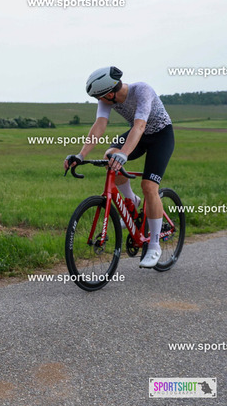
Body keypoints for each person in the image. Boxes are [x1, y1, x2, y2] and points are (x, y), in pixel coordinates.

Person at [64, 66, 175, 268]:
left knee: (149, 186)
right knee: (110, 157)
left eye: (99, 97)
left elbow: (140, 126)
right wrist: (81, 155)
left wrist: (124, 153)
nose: (98, 101)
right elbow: (99, 125)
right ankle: (131, 200)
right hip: (138, 134)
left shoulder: (142, 91)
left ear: (110, 93)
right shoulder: (106, 99)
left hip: (161, 136)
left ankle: (154, 246)